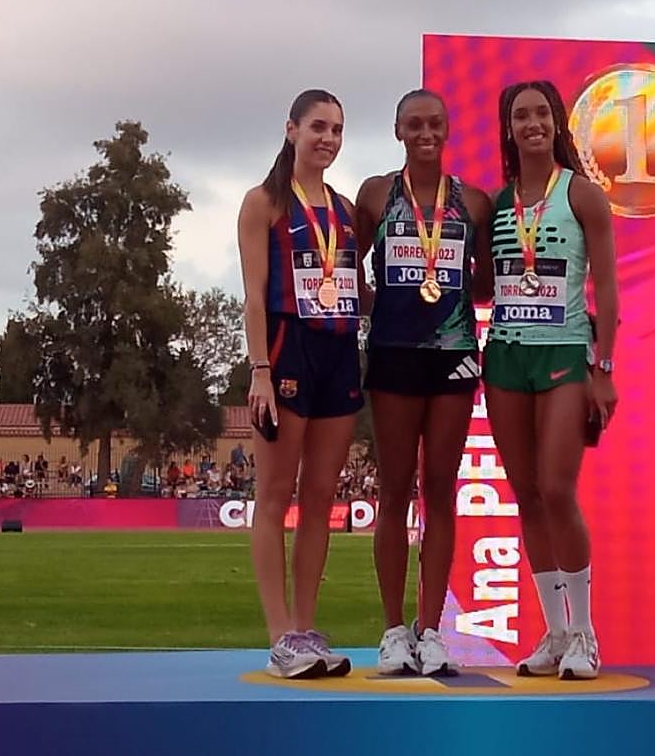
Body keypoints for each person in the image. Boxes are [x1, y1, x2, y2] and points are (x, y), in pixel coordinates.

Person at [355, 89, 494, 676]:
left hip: (455, 354)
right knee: (393, 489)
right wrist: (376, 302)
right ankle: (393, 631)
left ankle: (431, 629)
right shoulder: (375, 194)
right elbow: (346, 263)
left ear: (448, 128)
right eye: (413, 124)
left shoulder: (474, 202)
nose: (424, 133)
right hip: (391, 353)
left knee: (440, 491)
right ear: (397, 130)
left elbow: (485, 283)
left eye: (434, 123)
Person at [482, 80, 619, 680]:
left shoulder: (582, 194)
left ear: (557, 123)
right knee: (527, 496)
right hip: (506, 355)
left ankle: (587, 633)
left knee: (558, 489)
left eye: (541, 113)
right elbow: (486, 284)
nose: (532, 123)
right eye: (521, 115)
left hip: (564, 351)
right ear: (508, 129)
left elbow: (608, 290)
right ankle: (556, 633)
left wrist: (604, 368)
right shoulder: (494, 203)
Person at [237, 88, 362, 679]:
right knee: (274, 494)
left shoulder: (343, 209)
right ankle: (279, 634)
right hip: (286, 350)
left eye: (337, 129)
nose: (328, 139)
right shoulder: (264, 202)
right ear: (291, 129)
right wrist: (259, 370)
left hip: (339, 350)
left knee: (320, 499)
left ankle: (307, 630)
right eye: (317, 127)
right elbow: (254, 295)